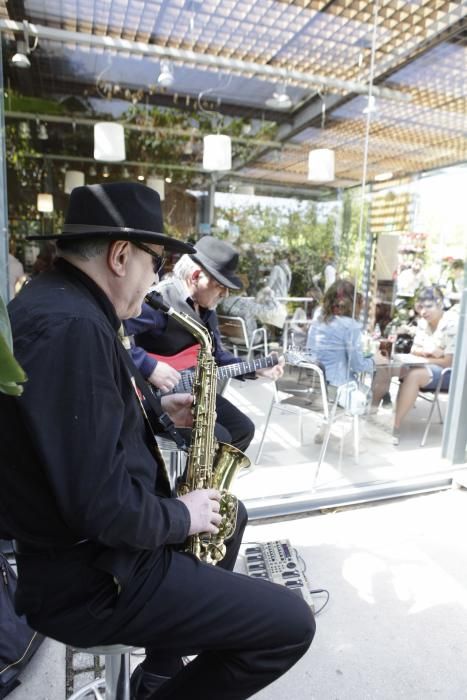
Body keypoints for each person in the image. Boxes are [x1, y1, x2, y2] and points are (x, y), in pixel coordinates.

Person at [0, 183, 314, 700]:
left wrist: (155, 408)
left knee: (228, 515)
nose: (158, 278)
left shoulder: (67, 305)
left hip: (91, 558)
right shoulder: (72, 328)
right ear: (121, 256)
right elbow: (100, 508)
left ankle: (161, 671)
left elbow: (81, 431)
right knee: (290, 625)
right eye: (157, 262)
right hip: (94, 580)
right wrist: (180, 516)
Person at [126, 235, 284, 453]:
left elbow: (217, 356)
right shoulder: (159, 301)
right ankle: (183, 484)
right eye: (221, 285)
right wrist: (148, 366)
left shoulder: (207, 311)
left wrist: (256, 369)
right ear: (196, 276)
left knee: (243, 430)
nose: (225, 294)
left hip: (194, 393)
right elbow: (114, 334)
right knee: (219, 438)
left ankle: (206, 483)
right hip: (154, 402)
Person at [306, 280, 391, 435]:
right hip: (335, 389)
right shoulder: (349, 325)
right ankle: (354, 441)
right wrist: (375, 361)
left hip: (314, 384)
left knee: (350, 384)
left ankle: (323, 432)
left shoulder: (319, 317)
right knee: (367, 394)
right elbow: (358, 366)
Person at [392, 285, 457, 446]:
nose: (423, 311)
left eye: (428, 306)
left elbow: (449, 362)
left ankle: (393, 426)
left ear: (440, 303)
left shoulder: (452, 324)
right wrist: (431, 351)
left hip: (449, 374)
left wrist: (426, 357)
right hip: (429, 367)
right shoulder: (423, 323)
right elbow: (414, 349)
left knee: (414, 374)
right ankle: (371, 415)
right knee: (389, 367)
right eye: (420, 307)